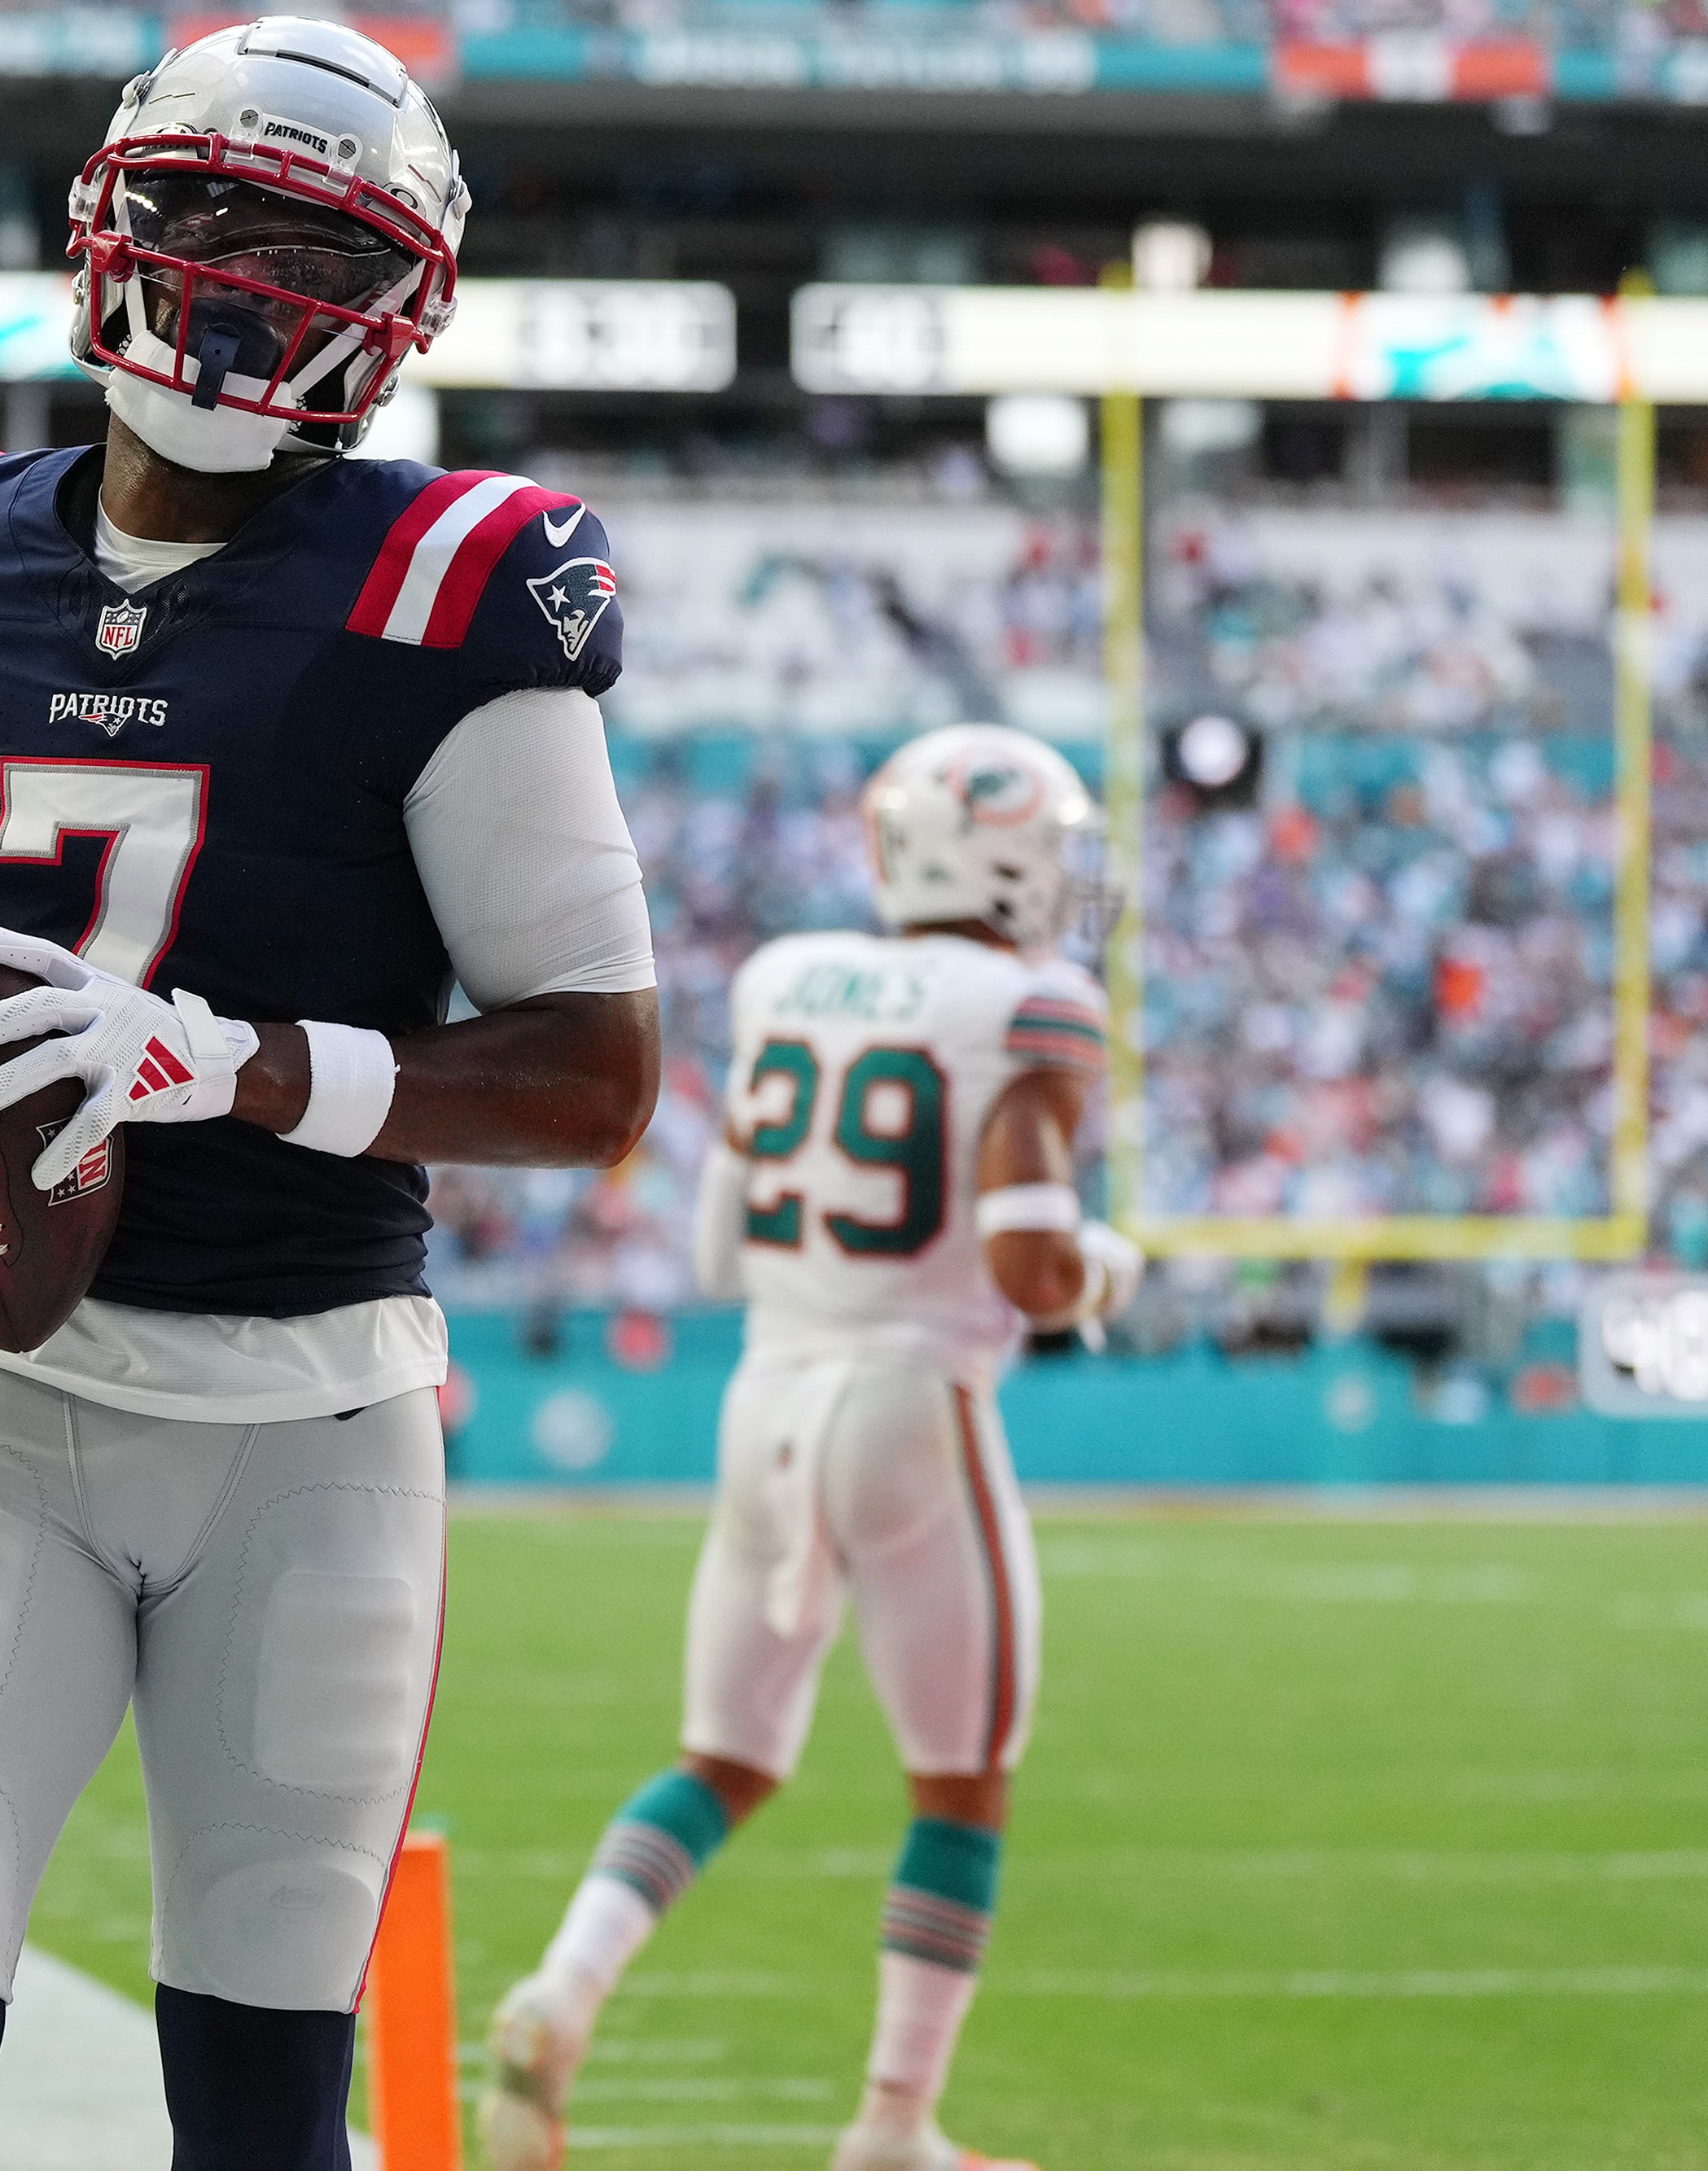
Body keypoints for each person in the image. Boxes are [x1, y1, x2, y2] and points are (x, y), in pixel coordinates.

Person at [0, 19, 657, 2164]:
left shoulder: (457, 580)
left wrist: (239, 1066)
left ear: (396, 310)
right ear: (107, 222)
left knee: (262, 2115)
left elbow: (595, 1073)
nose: (243, 294)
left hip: (307, 1423)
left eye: (306, 258)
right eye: (208, 224)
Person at [483, 726, 1145, 2171]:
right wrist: (1109, 1269)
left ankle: (564, 1985)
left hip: (769, 1396)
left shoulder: (787, 978)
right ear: (1007, 860)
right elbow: (1033, 1266)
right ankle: (895, 2125)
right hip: (912, 1402)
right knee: (961, 1781)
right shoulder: (1032, 1003)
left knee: (723, 1755)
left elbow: (717, 1249)